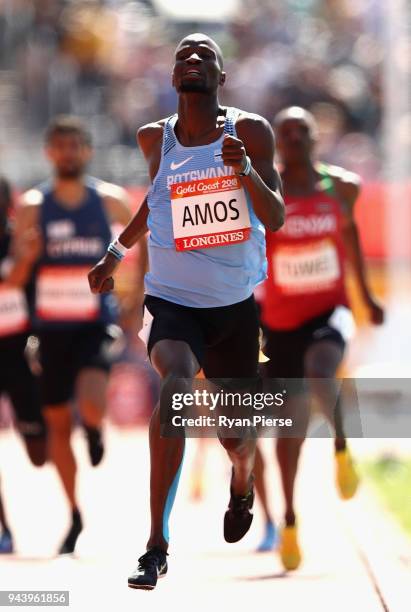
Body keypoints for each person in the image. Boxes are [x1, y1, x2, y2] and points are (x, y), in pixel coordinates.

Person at [88, 33, 285, 590]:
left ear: (221, 79)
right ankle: (156, 545)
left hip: (233, 307)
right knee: (173, 388)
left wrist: (244, 170)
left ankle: (242, 479)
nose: (193, 60)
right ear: (173, 78)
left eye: (206, 56)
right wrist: (114, 253)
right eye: (183, 56)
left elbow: (276, 219)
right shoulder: (155, 138)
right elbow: (156, 201)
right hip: (171, 300)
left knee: (236, 437)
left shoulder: (249, 132)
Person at [255, 106, 384, 569]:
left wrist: (366, 298)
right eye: (284, 132)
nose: (292, 139)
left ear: (314, 138)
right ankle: (289, 521)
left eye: (300, 131)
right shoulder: (266, 190)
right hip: (281, 323)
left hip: (330, 311)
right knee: (287, 433)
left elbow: (350, 243)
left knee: (322, 368)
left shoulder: (342, 187)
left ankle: (342, 446)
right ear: (276, 142)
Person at [15, 117, 132, 554]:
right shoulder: (32, 205)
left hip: (93, 322)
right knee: (57, 425)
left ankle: (97, 428)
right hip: (50, 328)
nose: (67, 154)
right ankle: (74, 514)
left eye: (75, 146)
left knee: (91, 401)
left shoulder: (109, 201)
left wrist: (139, 287)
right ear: (50, 153)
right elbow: (20, 268)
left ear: (87, 151)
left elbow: (147, 238)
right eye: (59, 147)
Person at [0, 176, 46, 553]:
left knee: (38, 454)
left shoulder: (21, 238)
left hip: (19, 355)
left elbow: (20, 280)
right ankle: (5, 529)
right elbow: (13, 278)